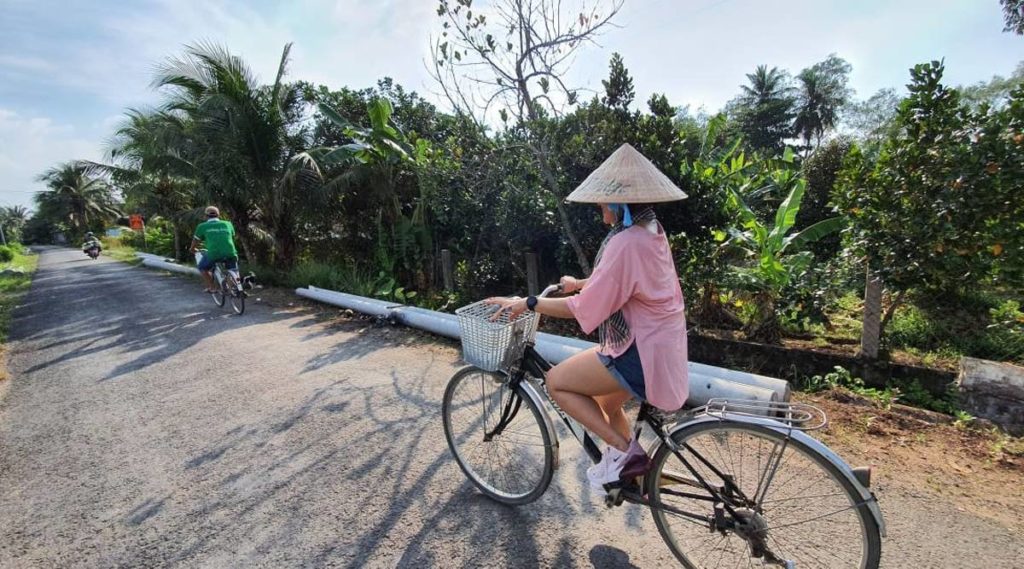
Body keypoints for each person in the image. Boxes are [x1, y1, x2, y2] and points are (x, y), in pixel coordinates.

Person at [487, 143, 690, 490]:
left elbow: (583, 308)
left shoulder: (626, 243)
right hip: (662, 345)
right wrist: (580, 283)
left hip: (640, 352)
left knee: (556, 382)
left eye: (603, 199)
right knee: (607, 403)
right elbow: (628, 282)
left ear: (619, 203)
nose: (599, 205)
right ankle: (634, 475)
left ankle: (628, 456)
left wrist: (530, 302)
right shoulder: (651, 230)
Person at [190, 206, 238, 293]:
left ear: (206, 216)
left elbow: (195, 241)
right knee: (232, 270)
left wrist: (192, 249)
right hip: (230, 252)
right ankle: (232, 288)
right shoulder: (228, 224)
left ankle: (212, 287)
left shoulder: (202, 226)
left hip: (213, 253)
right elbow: (232, 236)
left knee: (202, 267)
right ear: (219, 215)